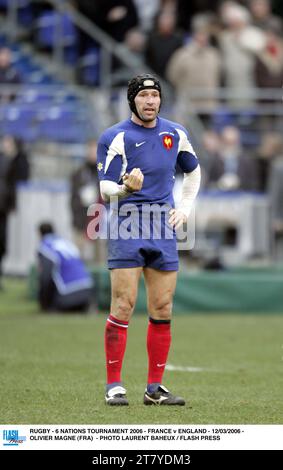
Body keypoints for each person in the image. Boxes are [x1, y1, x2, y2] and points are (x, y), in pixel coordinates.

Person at [97, 73, 201, 406]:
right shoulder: (115, 136)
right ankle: (114, 385)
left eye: (155, 95)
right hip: (128, 224)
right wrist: (128, 188)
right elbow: (105, 190)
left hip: (164, 229)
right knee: (124, 305)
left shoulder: (175, 132)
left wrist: (184, 208)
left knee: (162, 307)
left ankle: (154, 388)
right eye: (144, 96)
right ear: (133, 101)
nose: (151, 101)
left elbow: (193, 171)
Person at [37, 222, 93, 312]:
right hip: (87, 293)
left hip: (67, 296)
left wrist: (43, 304)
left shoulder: (44, 247)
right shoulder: (67, 243)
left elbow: (45, 277)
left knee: (52, 276)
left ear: (39, 234)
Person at [0, 136, 29, 287]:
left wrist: (17, 156)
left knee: (3, 243)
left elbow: (24, 174)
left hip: (5, 209)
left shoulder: (16, 161)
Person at [70, 140, 103, 263]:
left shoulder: (104, 172)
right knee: (78, 254)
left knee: (99, 258)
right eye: (91, 151)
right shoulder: (79, 173)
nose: (93, 154)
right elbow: (73, 198)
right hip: (81, 220)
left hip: (99, 221)